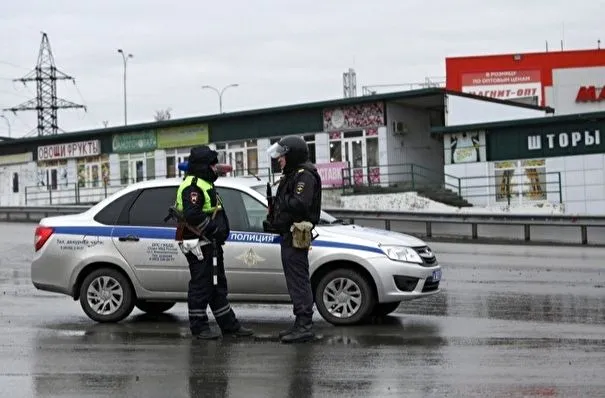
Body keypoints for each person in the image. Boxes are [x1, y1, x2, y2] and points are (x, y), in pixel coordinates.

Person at [174, 145, 253, 340]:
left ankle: (229, 325)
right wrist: (213, 229)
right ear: (203, 165)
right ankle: (199, 327)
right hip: (199, 245)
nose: (215, 167)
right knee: (201, 285)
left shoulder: (204, 182)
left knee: (217, 285)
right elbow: (192, 215)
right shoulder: (193, 185)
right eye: (212, 164)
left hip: (211, 245)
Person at [264, 135, 322, 343]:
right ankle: (299, 323)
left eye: (282, 156)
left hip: (297, 234)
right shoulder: (293, 174)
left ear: (293, 155)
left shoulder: (304, 175)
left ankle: (305, 325)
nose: (279, 160)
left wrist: (282, 199)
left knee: (298, 280)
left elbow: (299, 204)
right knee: (294, 280)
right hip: (288, 234)